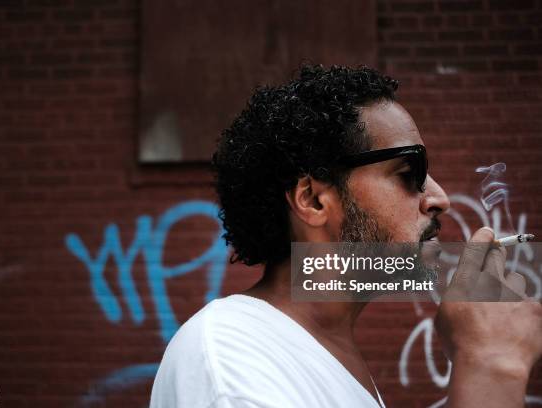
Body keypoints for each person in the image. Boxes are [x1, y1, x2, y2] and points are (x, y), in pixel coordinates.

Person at [149, 65, 542, 407]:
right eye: (409, 174)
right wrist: (490, 363)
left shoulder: (318, 353)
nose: (439, 200)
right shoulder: (233, 360)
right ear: (314, 200)